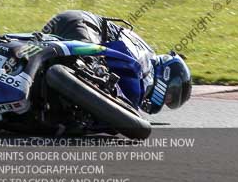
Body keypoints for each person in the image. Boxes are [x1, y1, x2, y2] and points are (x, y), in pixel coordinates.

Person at [42, 10, 191, 114]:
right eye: (170, 96)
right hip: (83, 24)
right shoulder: (147, 59)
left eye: (170, 102)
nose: (166, 101)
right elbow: (121, 51)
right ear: (167, 75)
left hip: (64, 25)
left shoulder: (145, 62)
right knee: (85, 63)